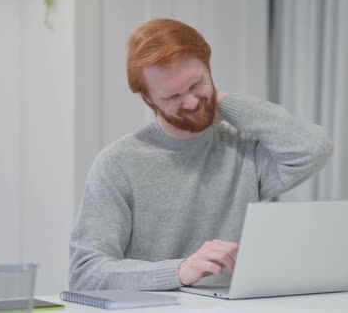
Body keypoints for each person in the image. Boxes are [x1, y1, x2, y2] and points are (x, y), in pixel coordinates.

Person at [68, 19, 333, 291]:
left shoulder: (241, 150)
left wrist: (227, 103)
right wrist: (180, 271)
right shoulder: (118, 164)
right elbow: (85, 273)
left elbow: (314, 148)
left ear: (209, 68)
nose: (192, 102)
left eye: (197, 85)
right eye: (173, 96)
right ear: (149, 100)